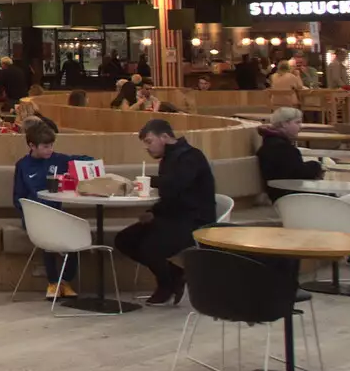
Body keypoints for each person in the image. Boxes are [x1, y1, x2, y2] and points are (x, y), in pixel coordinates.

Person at [114, 119, 216, 306]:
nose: (147, 147)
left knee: (150, 246)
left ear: (165, 137)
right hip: (173, 216)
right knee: (124, 239)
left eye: (149, 141)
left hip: (195, 220)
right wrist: (154, 211)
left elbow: (175, 187)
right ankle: (174, 275)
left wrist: (148, 182)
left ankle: (165, 285)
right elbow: (170, 197)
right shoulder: (168, 159)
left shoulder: (190, 157)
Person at [12, 120, 95, 297]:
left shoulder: (58, 159)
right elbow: (18, 196)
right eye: (45, 147)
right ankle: (53, 282)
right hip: (34, 216)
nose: (49, 150)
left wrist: (91, 164)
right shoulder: (22, 166)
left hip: (57, 214)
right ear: (32, 145)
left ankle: (65, 281)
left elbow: (86, 160)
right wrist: (27, 214)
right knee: (48, 238)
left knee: (75, 235)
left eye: (51, 146)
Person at [257, 107, 323, 201]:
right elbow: (299, 173)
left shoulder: (270, 142)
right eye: (297, 122)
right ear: (284, 124)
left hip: (283, 196)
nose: (301, 126)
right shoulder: (281, 148)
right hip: (292, 198)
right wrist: (316, 166)